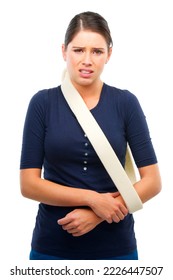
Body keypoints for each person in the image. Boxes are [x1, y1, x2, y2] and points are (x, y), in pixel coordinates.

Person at [20, 11, 162, 260]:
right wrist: (92, 199)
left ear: (109, 54)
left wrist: (98, 214)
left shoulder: (126, 103)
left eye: (97, 51)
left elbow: (152, 181)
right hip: (51, 247)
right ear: (64, 51)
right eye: (78, 50)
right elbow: (29, 184)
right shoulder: (42, 103)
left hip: (117, 249)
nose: (87, 60)